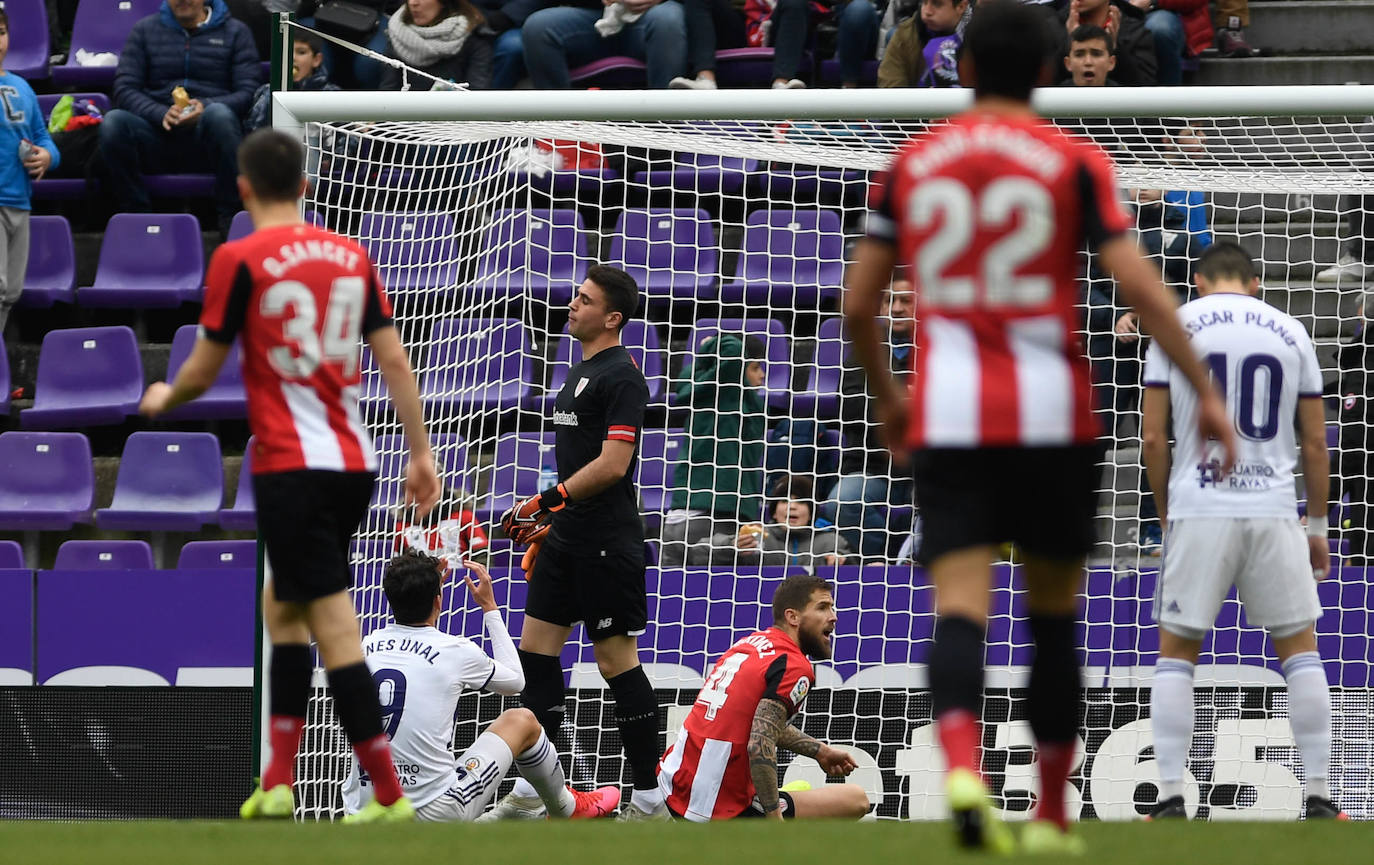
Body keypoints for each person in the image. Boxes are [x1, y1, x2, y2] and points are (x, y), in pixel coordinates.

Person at [843, 0, 1236, 852]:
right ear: (1055, 71)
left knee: (959, 608)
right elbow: (1137, 281)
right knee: (1054, 617)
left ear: (967, 68)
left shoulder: (915, 161)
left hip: (950, 413)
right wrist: (1202, 386)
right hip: (1058, 414)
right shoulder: (1074, 160)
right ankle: (1053, 817)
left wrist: (888, 397)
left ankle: (960, 766)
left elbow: (859, 303)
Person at [138, 128, 442, 824]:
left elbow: (205, 366)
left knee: (332, 624)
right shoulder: (349, 254)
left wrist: (164, 397)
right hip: (354, 462)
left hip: (291, 464)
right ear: (305, 187)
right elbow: (394, 361)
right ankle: (276, 782)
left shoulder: (241, 256)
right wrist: (420, 452)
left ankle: (390, 795)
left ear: (244, 189)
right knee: (283, 606)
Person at [1140, 242, 1346, 821]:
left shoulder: (1172, 326)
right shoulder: (1291, 332)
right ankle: (1321, 798)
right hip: (1274, 506)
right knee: (1300, 649)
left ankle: (1173, 797)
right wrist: (1318, 523)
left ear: (1199, 281)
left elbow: (1154, 438)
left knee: (1178, 651)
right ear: (1255, 282)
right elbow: (1314, 442)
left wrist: (1164, 511)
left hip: (1198, 505)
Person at [484, 265, 668, 822]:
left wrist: (546, 502)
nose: (572, 304)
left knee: (617, 664)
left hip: (607, 548)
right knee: (537, 657)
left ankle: (649, 797)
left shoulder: (623, 377)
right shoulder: (578, 369)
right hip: (565, 542)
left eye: (584, 300)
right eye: (575, 295)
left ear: (612, 317)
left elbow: (614, 466)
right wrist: (553, 527)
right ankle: (535, 791)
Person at [341, 550, 621, 820]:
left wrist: (423, 582)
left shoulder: (365, 646)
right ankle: (565, 807)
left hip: (365, 810)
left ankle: (520, 806)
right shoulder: (455, 650)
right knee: (522, 719)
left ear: (390, 598)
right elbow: (516, 680)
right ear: (438, 601)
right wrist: (489, 607)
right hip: (435, 812)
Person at [658, 574, 870, 821]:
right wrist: (773, 820)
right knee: (856, 799)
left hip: (671, 784)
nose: (833, 616)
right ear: (793, 617)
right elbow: (759, 745)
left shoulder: (748, 644)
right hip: (716, 807)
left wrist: (820, 751)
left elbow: (755, 723)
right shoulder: (794, 666)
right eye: (822, 607)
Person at [98, 0, 260, 235]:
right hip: (157, 132)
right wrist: (159, 112)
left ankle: (230, 218)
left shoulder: (236, 31)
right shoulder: (144, 30)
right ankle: (136, 215)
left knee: (220, 115)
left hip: (208, 136)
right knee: (113, 122)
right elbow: (125, 88)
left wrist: (206, 106)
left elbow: (248, 91)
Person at [824, 278, 915, 560]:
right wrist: (903, 403)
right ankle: (885, 559)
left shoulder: (939, 352)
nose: (896, 308)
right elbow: (851, 407)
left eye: (905, 301)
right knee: (841, 501)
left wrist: (885, 402)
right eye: (889, 301)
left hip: (924, 470)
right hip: (873, 468)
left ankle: (919, 557)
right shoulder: (864, 354)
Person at [660, 332, 767, 568]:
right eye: (756, 367)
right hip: (717, 518)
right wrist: (714, 344)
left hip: (676, 519)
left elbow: (692, 373)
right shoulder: (731, 398)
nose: (762, 375)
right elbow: (734, 351)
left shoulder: (701, 395)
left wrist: (706, 354)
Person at [0, 8, 58, 337]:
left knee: (10, 293)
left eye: (1, 32)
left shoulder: (22, 87)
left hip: (19, 202)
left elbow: (43, 137)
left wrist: (48, 156)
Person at [521, 0, 686, 90]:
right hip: (594, 19)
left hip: (654, 17)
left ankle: (664, 131)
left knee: (667, 19)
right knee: (539, 27)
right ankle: (559, 134)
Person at [710, 475, 851, 567]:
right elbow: (698, 552)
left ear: (811, 514)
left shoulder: (832, 541)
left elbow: (856, 569)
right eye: (784, 501)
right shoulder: (757, 537)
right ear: (774, 512)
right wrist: (730, 545)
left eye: (801, 501)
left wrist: (844, 561)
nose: (792, 506)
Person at [379, 0, 493, 90]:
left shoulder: (474, 36)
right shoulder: (398, 30)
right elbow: (389, 88)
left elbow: (477, 93)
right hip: (406, 115)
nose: (413, 3)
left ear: (444, 2)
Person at [245, 33, 339, 134]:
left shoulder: (332, 95)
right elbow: (253, 134)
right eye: (287, 51)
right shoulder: (266, 92)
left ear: (316, 60)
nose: (292, 57)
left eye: (301, 52)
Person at [1053, 0, 1156, 86]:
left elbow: (1145, 91)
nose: (1088, 62)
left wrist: (1116, 50)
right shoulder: (1051, 26)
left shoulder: (1136, 32)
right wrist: (1068, 45)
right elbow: (1043, 82)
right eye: (1080, 54)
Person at [876, 0, 969, 88]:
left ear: (961, 7)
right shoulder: (904, 35)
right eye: (924, 2)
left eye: (937, 4)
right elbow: (891, 93)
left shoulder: (979, 36)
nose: (927, 12)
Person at [473, 0, 552, 87]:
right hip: (469, 13)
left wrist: (508, 15)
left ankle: (494, 97)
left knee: (512, 47)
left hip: (516, 19)